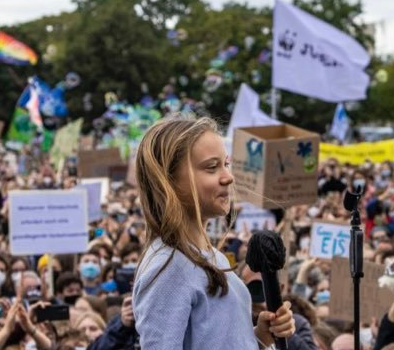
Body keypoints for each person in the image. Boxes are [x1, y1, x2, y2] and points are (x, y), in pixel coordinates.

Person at [132, 116, 295, 349]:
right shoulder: (168, 266)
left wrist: (259, 336)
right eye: (211, 167)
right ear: (167, 182)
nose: (228, 177)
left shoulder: (211, 257)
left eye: (226, 164)